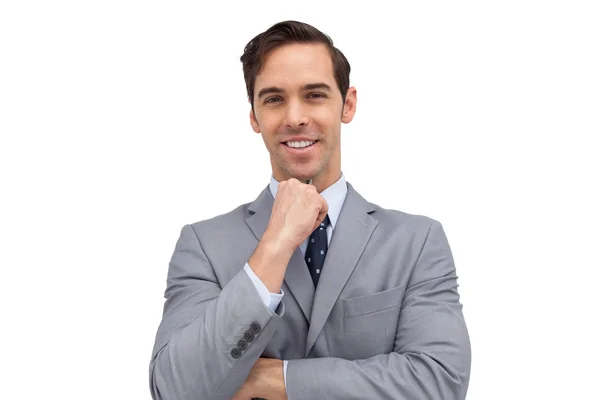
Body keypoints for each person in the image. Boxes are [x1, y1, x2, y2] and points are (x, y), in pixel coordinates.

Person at [149, 20, 471, 400]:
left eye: (314, 95)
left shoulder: (416, 242)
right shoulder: (202, 245)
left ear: (347, 105)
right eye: (273, 99)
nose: (294, 118)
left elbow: (439, 382)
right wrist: (274, 245)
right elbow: (174, 388)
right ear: (254, 116)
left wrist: (276, 379)